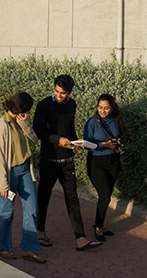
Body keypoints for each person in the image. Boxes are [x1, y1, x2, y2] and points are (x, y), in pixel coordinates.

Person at [33, 74, 102, 251]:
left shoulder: (72, 104)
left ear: (69, 92)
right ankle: (40, 232)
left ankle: (80, 238)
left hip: (67, 160)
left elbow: (69, 128)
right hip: (48, 160)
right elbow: (38, 132)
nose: (58, 95)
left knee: (72, 197)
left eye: (62, 93)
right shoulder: (43, 105)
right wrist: (58, 140)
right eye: (56, 91)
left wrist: (74, 143)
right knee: (44, 197)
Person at [0, 91, 44, 263]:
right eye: (27, 111)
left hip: (25, 171)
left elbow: (34, 140)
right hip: (10, 174)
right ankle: (2, 246)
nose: (28, 114)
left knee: (32, 209)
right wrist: (2, 185)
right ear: (20, 109)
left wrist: (25, 124)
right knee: (6, 211)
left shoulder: (22, 121)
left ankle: (29, 249)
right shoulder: (3, 125)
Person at [83, 93, 125, 242]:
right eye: (100, 107)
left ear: (112, 108)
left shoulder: (116, 121)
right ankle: (98, 227)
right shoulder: (92, 122)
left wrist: (117, 144)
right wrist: (104, 144)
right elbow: (86, 144)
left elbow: (121, 137)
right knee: (105, 196)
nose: (103, 111)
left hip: (113, 162)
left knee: (107, 195)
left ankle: (99, 224)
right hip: (96, 162)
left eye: (106, 108)